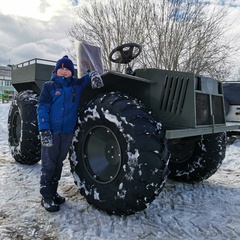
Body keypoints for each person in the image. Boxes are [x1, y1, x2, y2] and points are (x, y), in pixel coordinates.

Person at [37, 55, 103, 212]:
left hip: (67, 133)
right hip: (51, 133)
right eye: (62, 68)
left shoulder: (76, 85)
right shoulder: (49, 87)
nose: (65, 71)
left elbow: (86, 79)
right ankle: (46, 196)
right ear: (56, 71)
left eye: (68, 69)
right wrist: (44, 129)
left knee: (58, 164)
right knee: (48, 165)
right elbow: (42, 108)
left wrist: (93, 73)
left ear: (72, 73)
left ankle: (53, 193)